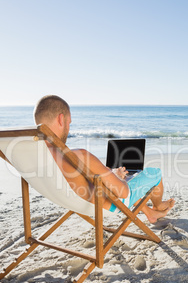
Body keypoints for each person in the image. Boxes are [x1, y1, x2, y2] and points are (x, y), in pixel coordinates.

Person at [34, 95, 175, 223]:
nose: (69, 128)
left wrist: (111, 175)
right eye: (69, 123)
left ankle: (150, 212)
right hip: (109, 205)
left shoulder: (34, 156)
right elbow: (124, 193)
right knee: (154, 173)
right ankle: (158, 206)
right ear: (60, 119)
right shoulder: (79, 156)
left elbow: (81, 184)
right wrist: (119, 179)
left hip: (73, 201)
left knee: (117, 178)